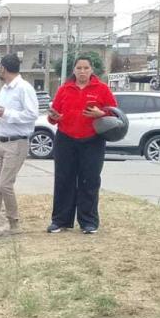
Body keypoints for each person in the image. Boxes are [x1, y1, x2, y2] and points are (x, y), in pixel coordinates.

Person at [47, 56, 118, 234]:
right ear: (74, 70)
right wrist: (54, 117)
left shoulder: (102, 89)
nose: (82, 71)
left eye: (86, 68)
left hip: (92, 140)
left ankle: (88, 222)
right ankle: (60, 220)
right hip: (66, 138)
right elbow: (53, 116)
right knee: (64, 179)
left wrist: (100, 113)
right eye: (79, 68)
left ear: (91, 70)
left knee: (90, 180)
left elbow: (114, 113)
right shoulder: (64, 89)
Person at [0, 54, 39, 242]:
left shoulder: (24, 88)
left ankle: (14, 223)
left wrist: (6, 114)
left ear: (3, 68)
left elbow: (32, 114)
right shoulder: (4, 89)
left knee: (4, 184)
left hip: (16, 142)